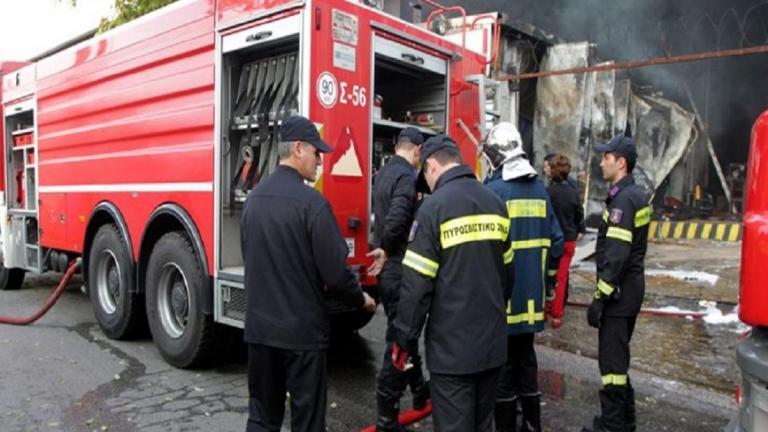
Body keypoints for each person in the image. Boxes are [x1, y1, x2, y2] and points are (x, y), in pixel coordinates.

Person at [241, 115, 376, 432]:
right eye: (317, 153)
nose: (320, 161)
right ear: (298, 149)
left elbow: (253, 260)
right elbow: (336, 275)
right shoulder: (313, 204)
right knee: (307, 422)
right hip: (301, 335)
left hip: (260, 331)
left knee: (261, 417)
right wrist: (361, 300)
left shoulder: (253, 201)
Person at [393, 134, 514, 432]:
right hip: (492, 347)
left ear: (432, 166)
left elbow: (415, 287)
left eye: (425, 175)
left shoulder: (434, 210)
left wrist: (405, 342)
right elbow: (508, 277)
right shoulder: (496, 203)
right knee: (483, 425)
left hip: (452, 354)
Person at [483, 123, 563, 432]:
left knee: (502, 369)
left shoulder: (494, 192)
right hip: (531, 300)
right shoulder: (541, 191)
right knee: (527, 362)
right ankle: (531, 426)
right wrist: (549, 284)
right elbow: (556, 241)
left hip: (501, 302)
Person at [581, 135, 650, 432]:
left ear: (620, 162)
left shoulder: (623, 200)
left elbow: (617, 256)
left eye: (605, 157)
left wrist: (600, 298)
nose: (600, 162)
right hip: (630, 291)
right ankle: (624, 421)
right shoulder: (634, 194)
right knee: (618, 361)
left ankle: (612, 426)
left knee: (611, 367)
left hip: (619, 296)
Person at [367, 128, 430, 432]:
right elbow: (398, 216)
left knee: (405, 335)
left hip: (389, 268)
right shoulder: (407, 177)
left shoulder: (384, 173)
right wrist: (388, 248)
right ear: (417, 150)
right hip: (399, 264)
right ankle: (386, 416)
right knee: (399, 340)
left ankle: (419, 391)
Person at [546, 154, 586, 329]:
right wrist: (580, 230)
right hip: (569, 240)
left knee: (547, 275)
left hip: (553, 240)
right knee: (561, 277)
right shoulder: (573, 192)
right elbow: (579, 214)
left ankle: (546, 310)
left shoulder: (547, 193)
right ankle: (557, 314)